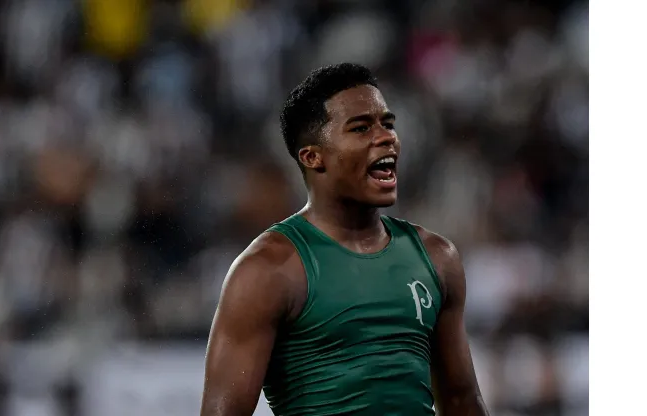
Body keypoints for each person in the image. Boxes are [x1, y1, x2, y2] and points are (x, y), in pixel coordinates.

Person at [200, 63, 489, 416]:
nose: (386, 137)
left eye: (388, 123)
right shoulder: (267, 271)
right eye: (361, 128)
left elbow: (461, 400)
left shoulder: (437, 258)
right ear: (313, 157)